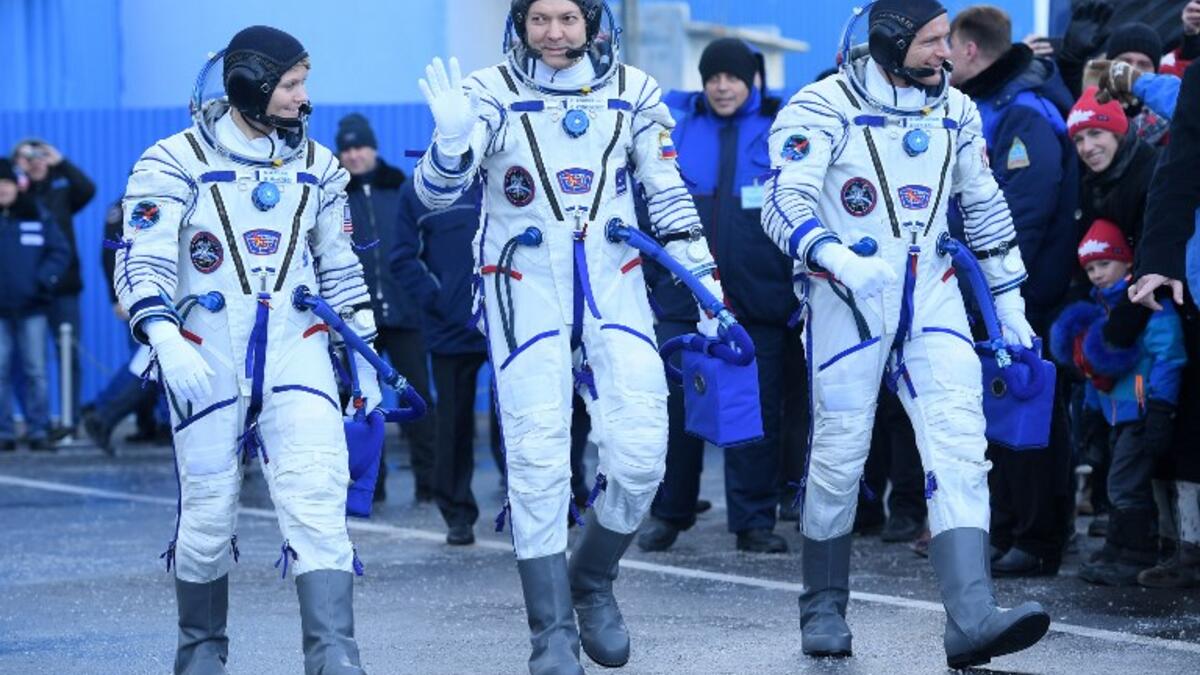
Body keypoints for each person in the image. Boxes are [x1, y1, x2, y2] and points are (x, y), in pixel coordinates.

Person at [413, 1, 726, 671]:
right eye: (539, 20)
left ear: (592, 23)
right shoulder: (489, 91)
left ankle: (592, 577)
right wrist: (448, 141)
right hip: (523, 285)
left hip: (614, 284)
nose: (554, 33)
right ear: (520, 26)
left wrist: (706, 285)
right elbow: (438, 193)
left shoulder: (633, 91)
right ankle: (551, 630)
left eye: (567, 18)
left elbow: (666, 190)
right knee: (537, 455)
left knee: (642, 452)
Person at [761, 1, 1049, 667]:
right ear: (890, 43)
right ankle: (824, 604)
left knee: (958, 441)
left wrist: (1009, 301)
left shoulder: (956, 110)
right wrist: (833, 256)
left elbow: (982, 202)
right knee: (839, 451)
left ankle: (971, 616)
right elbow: (784, 199)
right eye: (932, 41)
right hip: (848, 297)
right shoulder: (822, 105)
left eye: (947, 38)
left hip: (934, 293)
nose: (946, 52)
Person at [117, 26, 377, 674]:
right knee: (207, 512)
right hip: (205, 352)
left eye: (302, 82)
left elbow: (340, 269)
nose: (302, 97)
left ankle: (333, 654)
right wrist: (163, 334)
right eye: (290, 84)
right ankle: (202, 649)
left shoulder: (318, 167)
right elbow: (140, 263)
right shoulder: (172, 161)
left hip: (298, 348)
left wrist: (366, 356)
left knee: (317, 496)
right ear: (250, 86)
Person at [636, 37, 794, 555]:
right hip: (685, 299)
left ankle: (753, 521)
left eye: (732, 77)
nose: (722, 86)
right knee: (678, 411)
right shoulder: (677, 129)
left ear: (752, 81)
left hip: (758, 301)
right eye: (712, 77)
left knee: (753, 414)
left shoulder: (777, 130)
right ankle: (670, 512)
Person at [949, 4, 1078, 577]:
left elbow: (1025, 213)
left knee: (1033, 416)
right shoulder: (984, 107)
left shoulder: (1023, 111)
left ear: (971, 50)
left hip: (1025, 297)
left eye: (945, 45)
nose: (941, 57)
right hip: (986, 294)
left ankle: (1038, 536)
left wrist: (1000, 290)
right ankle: (1006, 529)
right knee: (996, 415)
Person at [1049, 219, 1187, 586]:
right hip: (1114, 413)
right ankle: (1119, 547)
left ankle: (1135, 552)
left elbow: (1169, 353)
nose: (1096, 274)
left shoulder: (1146, 302)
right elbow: (1096, 373)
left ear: (1128, 262)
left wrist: (1161, 406)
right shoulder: (1099, 307)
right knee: (1117, 481)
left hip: (1142, 409)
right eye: (1090, 268)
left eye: (1104, 264)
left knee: (1126, 483)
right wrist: (1092, 415)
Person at [336, 112, 438, 504]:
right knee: (365, 404)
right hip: (358, 320)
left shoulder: (401, 189)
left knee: (418, 396)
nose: (353, 155)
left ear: (373, 148)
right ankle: (369, 484)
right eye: (346, 149)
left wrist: (426, 296)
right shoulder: (334, 195)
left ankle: (430, 483)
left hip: (405, 313)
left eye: (359, 146)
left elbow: (422, 246)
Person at [391, 179, 486, 544]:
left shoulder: (500, 174)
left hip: (510, 321)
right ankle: (457, 513)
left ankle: (533, 506)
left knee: (523, 420)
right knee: (455, 423)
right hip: (452, 326)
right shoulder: (417, 190)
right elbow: (402, 257)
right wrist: (440, 299)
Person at [11, 137, 96, 434]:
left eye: (39, 155)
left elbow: (88, 189)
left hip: (63, 287)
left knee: (67, 354)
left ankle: (69, 419)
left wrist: (60, 161)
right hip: (25, 292)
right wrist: (16, 172)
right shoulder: (16, 196)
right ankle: (37, 421)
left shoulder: (61, 188)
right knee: (24, 361)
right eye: (27, 157)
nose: (35, 161)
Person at [0, 158, 70, 452]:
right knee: (0, 371)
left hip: (33, 309)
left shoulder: (36, 214)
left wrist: (44, 281)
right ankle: (4, 433)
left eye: (5, 183)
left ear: (17, 186)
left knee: (36, 371)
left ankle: (38, 429)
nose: (1, 189)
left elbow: (59, 250)